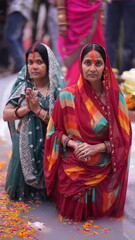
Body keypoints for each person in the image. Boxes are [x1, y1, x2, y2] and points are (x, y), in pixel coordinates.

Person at [44, 43, 132, 221]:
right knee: (70, 212)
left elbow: (124, 139)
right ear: (80, 64)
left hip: (104, 160)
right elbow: (53, 132)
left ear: (105, 66)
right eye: (87, 63)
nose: (92, 68)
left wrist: (96, 148)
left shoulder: (115, 98)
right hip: (75, 157)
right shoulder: (67, 96)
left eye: (98, 63)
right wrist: (75, 145)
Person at [3, 42, 66, 201]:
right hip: (24, 147)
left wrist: (38, 110)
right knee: (23, 199)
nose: (34, 67)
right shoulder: (23, 87)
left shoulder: (57, 92)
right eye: (30, 62)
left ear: (49, 64)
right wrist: (25, 109)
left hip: (48, 148)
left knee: (49, 197)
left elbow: (62, 125)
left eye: (39, 62)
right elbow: (5, 114)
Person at [57, 0, 105, 85]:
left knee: (94, 51)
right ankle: (77, 88)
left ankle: (93, 88)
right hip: (74, 10)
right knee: (76, 55)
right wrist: (62, 21)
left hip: (92, 10)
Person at [105, 0, 135, 74]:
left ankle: (126, 74)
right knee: (110, 39)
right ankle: (109, 72)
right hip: (112, 2)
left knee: (129, 41)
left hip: (131, 2)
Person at [4, 0, 33, 73]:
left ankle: (20, 64)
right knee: (17, 39)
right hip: (24, 10)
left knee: (11, 37)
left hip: (18, 9)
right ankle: (21, 64)